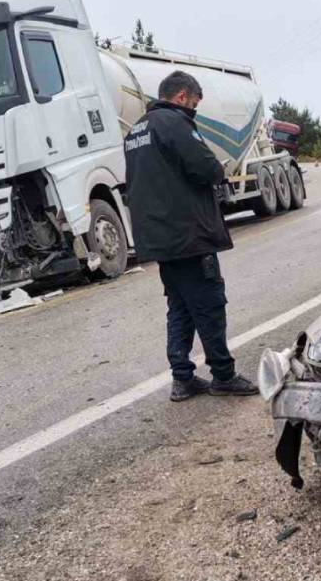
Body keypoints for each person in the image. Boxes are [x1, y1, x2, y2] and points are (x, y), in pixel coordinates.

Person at [124, 71, 257, 402]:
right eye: (195, 103)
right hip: (188, 233)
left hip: (159, 237)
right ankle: (223, 375)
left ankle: (182, 379)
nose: (194, 109)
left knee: (180, 306)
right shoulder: (174, 123)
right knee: (209, 304)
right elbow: (205, 167)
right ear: (182, 96)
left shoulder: (136, 130)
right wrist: (219, 170)